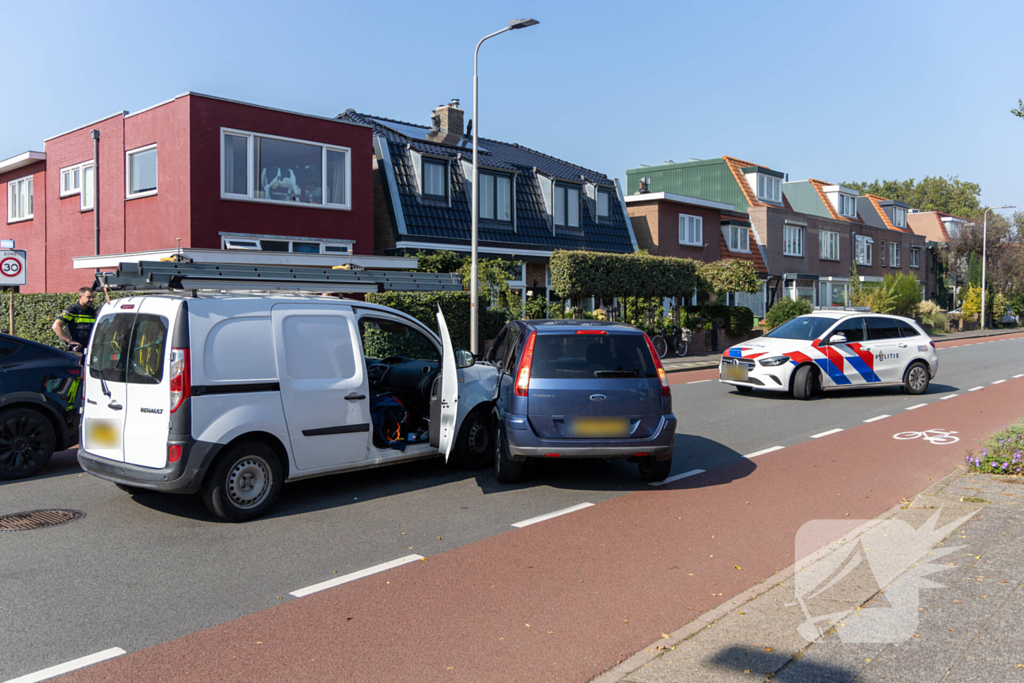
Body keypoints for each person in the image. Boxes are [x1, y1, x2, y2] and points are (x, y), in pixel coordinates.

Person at [52, 286, 109, 354]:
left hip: (90, 349)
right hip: (76, 350)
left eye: (93, 297)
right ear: (80, 297)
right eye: (88, 297)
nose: (91, 299)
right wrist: (69, 341)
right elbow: (56, 326)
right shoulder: (73, 310)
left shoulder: (92, 311)